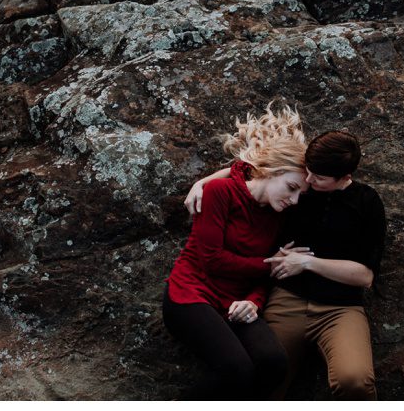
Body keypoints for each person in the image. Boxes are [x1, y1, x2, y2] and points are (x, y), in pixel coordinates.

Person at [184, 130, 386, 400]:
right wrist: (203, 181)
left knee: (355, 380)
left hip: (340, 308)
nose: (308, 180)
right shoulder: (300, 185)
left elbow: (365, 277)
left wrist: (307, 263)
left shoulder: (367, 203)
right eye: (308, 172)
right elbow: (258, 170)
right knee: (267, 376)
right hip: (286, 300)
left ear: (345, 177)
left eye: (319, 178)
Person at [162, 102, 309, 400]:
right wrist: (269, 265)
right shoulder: (219, 193)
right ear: (270, 171)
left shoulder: (279, 215)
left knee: (274, 363)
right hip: (191, 294)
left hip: (235, 301)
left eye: (300, 194)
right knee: (236, 369)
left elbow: (266, 278)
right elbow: (212, 259)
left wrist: (253, 302)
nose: (294, 199)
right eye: (291, 187)